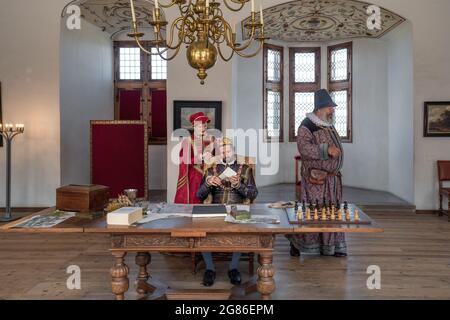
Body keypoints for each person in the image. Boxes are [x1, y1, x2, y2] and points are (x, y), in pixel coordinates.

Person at [287, 89, 347, 257]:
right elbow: (304, 149)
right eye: (330, 107)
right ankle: (297, 244)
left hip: (332, 180)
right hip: (316, 180)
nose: (332, 110)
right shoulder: (307, 125)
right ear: (320, 108)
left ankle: (332, 246)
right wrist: (327, 150)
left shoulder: (327, 124)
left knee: (331, 213)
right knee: (313, 213)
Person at [196, 137, 258, 286]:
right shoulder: (211, 169)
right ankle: (210, 269)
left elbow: (253, 194)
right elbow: (199, 195)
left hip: (238, 207)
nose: (225, 153)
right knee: (201, 231)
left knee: (241, 230)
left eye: (228, 150)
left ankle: (233, 268)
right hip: (215, 208)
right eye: (222, 151)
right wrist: (207, 183)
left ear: (234, 151)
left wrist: (238, 185)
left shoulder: (246, 169)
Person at [174, 112, 214, 204]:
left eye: (205, 126)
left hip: (209, 175)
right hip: (195, 176)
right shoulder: (187, 141)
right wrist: (200, 157)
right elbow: (184, 160)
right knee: (195, 202)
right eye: (200, 126)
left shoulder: (211, 139)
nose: (203, 128)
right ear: (194, 127)